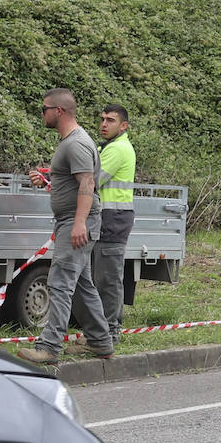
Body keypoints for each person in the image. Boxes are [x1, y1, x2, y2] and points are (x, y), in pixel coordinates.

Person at [17, 89, 115, 364]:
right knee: (83, 285)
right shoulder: (71, 142)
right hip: (72, 219)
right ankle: (100, 342)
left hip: (76, 220)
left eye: (44, 109)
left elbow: (87, 183)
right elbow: (72, 181)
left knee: (59, 283)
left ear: (59, 111)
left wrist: (79, 223)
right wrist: (47, 179)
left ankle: (49, 347)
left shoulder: (76, 143)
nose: (42, 113)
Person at [93, 105, 136, 344]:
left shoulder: (117, 149)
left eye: (110, 120)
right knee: (103, 277)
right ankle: (104, 329)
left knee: (107, 279)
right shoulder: (108, 147)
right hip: (111, 218)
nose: (104, 124)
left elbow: (91, 180)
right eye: (102, 119)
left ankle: (110, 331)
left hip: (113, 219)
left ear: (123, 126)